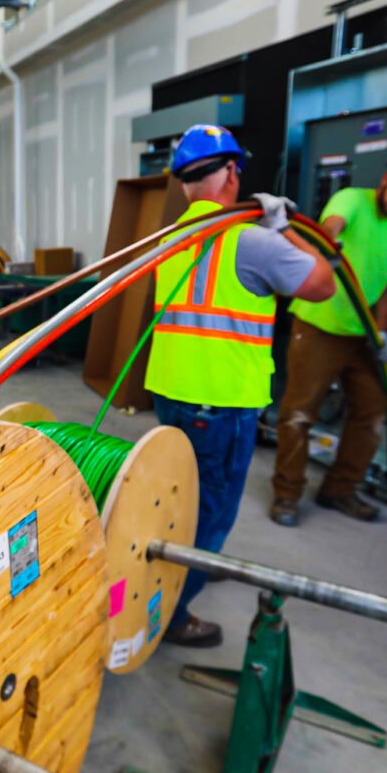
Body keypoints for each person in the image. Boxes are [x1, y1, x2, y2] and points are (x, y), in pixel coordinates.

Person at [144, 125, 336, 647]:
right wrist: (285, 227)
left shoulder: (170, 235)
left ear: (185, 182)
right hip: (221, 402)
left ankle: (188, 565)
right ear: (231, 172)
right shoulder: (252, 241)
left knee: (180, 497)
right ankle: (172, 612)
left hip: (172, 391)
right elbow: (324, 283)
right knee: (210, 513)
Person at [269, 146, 387, 526]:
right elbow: (328, 229)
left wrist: (381, 332)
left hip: (361, 333)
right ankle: (287, 494)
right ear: (386, 178)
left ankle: (339, 490)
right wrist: (324, 242)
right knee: (299, 414)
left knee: (372, 412)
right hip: (319, 324)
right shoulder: (351, 199)